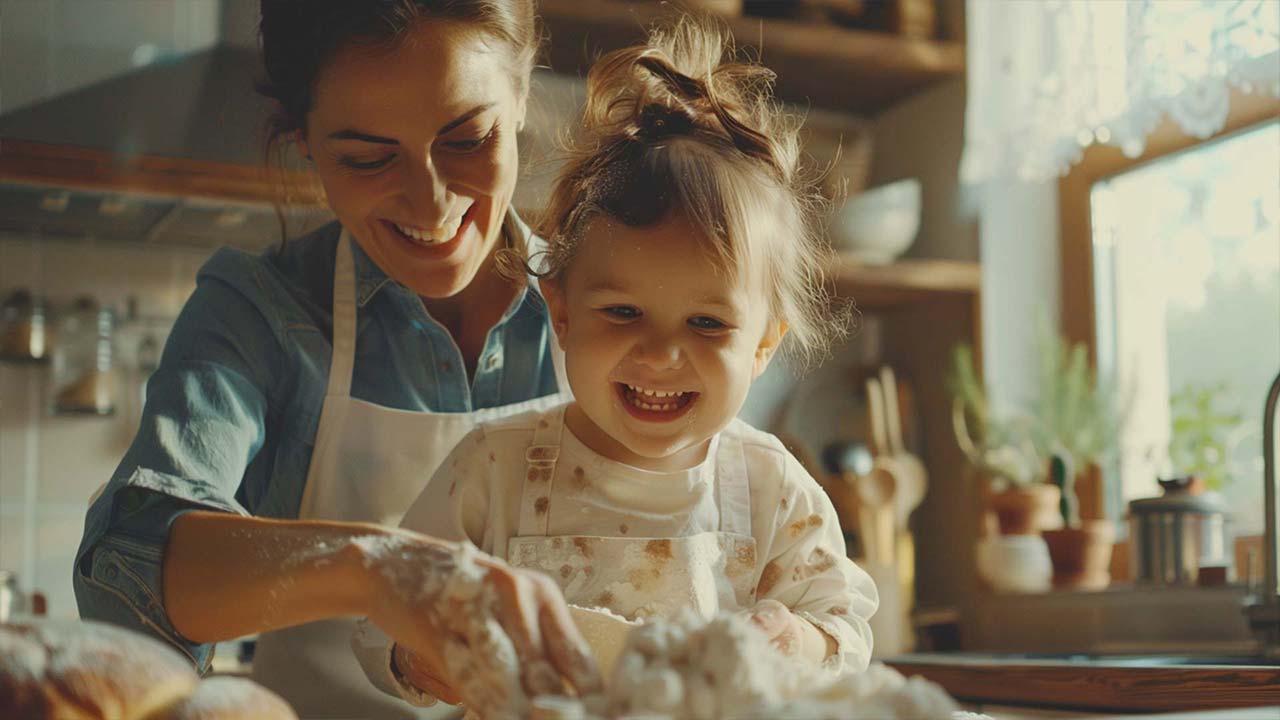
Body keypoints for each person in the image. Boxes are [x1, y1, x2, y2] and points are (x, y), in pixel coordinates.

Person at [72, 2, 600, 718]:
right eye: (367, 156)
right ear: (306, 146)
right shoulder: (262, 313)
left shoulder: (611, 307)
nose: (431, 197)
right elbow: (125, 574)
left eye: (468, 138)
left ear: (523, 94)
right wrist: (377, 568)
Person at [356, 18, 879, 710]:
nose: (662, 353)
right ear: (563, 315)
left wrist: (795, 640)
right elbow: (382, 610)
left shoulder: (770, 487)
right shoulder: (496, 466)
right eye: (623, 313)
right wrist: (424, 659)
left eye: (706, 323)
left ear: (762, 345)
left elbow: (846, 630)